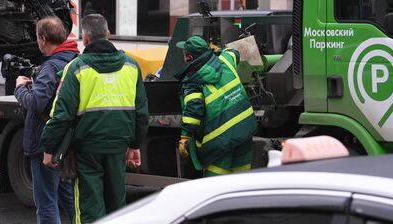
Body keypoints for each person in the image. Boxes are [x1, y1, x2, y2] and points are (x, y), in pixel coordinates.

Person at [41, 14, 149, 223]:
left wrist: (49, 147)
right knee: (117, 206)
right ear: (108, 34)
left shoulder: (77, 68)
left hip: (87, 150)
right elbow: (142, 112)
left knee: (89, 207)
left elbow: (61, 114)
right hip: (118, 146)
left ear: (86, 38)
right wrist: (135, 145)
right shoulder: (131, 66)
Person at [14, 16, 78, 224]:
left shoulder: (50, 67)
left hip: (45, 142)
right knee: (70, 199)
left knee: (47, 203)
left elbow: (36, 103)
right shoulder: (76, 61)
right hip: (68, 141)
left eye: (36, 37)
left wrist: (20, 88)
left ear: (42, 39)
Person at [174, 36, 256, 177]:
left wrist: (185, 137)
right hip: (245, 127)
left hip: (222, 136)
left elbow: (193, 111)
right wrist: (219, 50)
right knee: (242, 174)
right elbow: (233, 52)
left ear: (188, 56)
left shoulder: (192, 82)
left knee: (217, 176)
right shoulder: (225, 60)